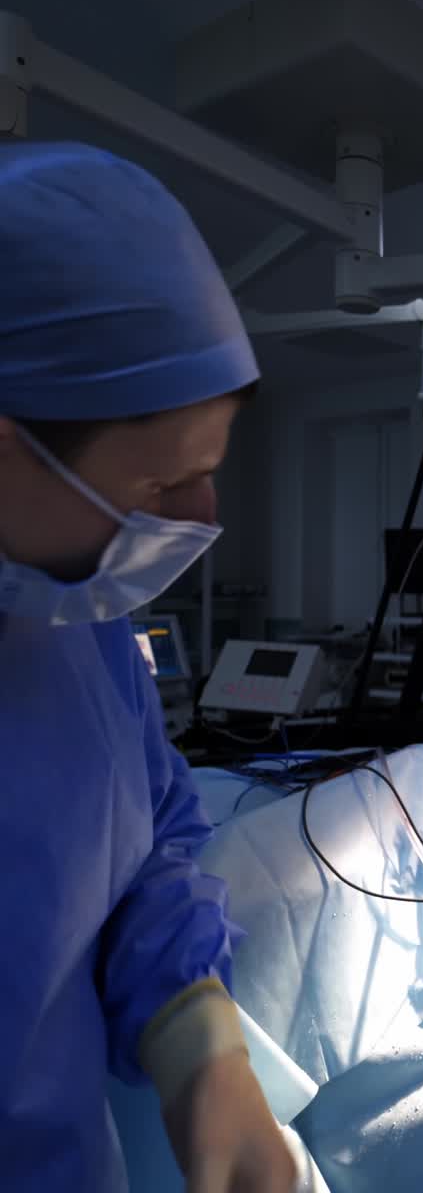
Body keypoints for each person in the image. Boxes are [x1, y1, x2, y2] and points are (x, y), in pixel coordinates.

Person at [0, 142, 297, 1191]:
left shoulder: (71, 622)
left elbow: (146, 837)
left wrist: (194, 1037)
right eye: (165, 484)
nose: (202, 519)